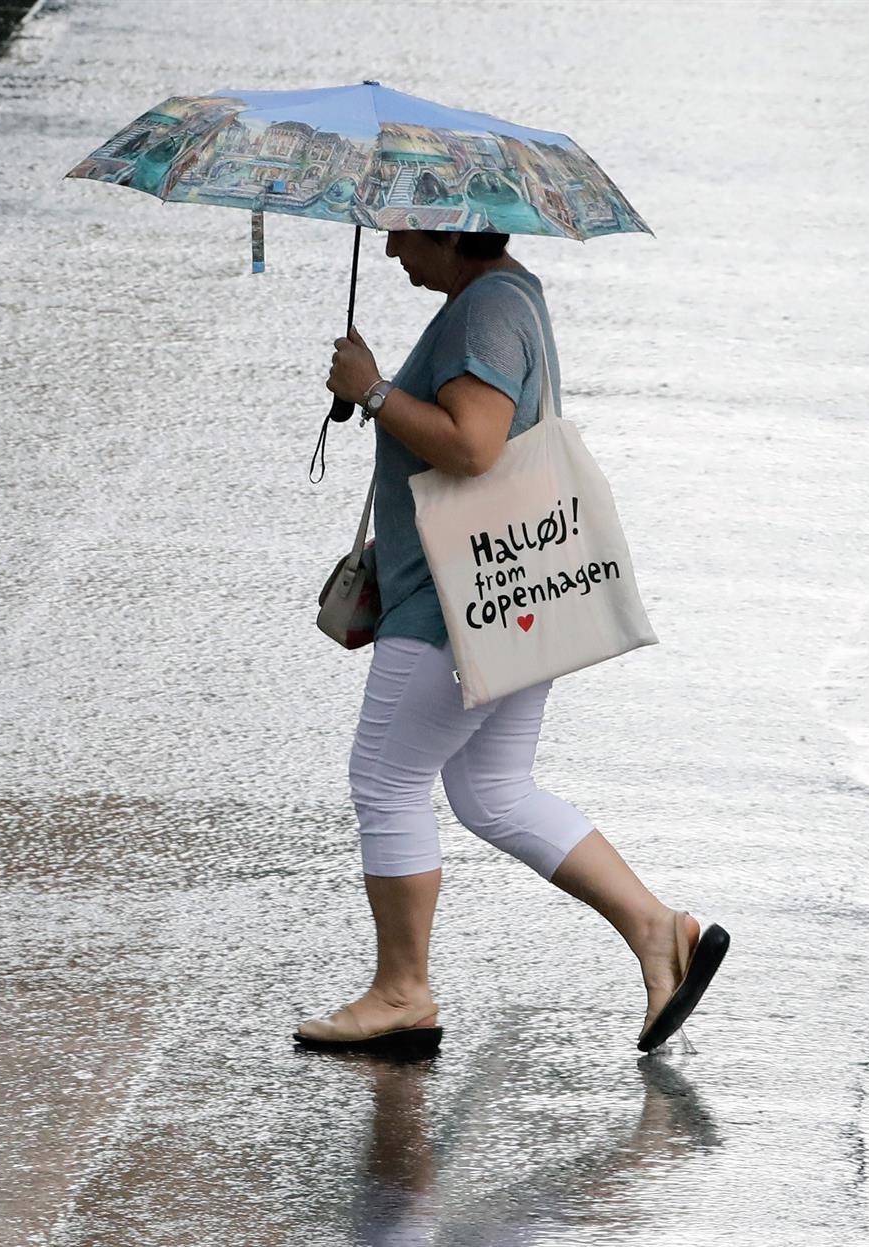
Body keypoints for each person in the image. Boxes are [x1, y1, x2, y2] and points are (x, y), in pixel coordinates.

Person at [296, 226, 727, 1054]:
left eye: (400, 232)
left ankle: (400, 991)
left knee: (385, 779)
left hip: (458, 601)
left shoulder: (486, 310)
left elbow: (474, 443)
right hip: (513, 590)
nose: (389, 250)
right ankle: (658, 929)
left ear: (446, 229)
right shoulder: (506, 296)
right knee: (491, 788)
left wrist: (376, 389)